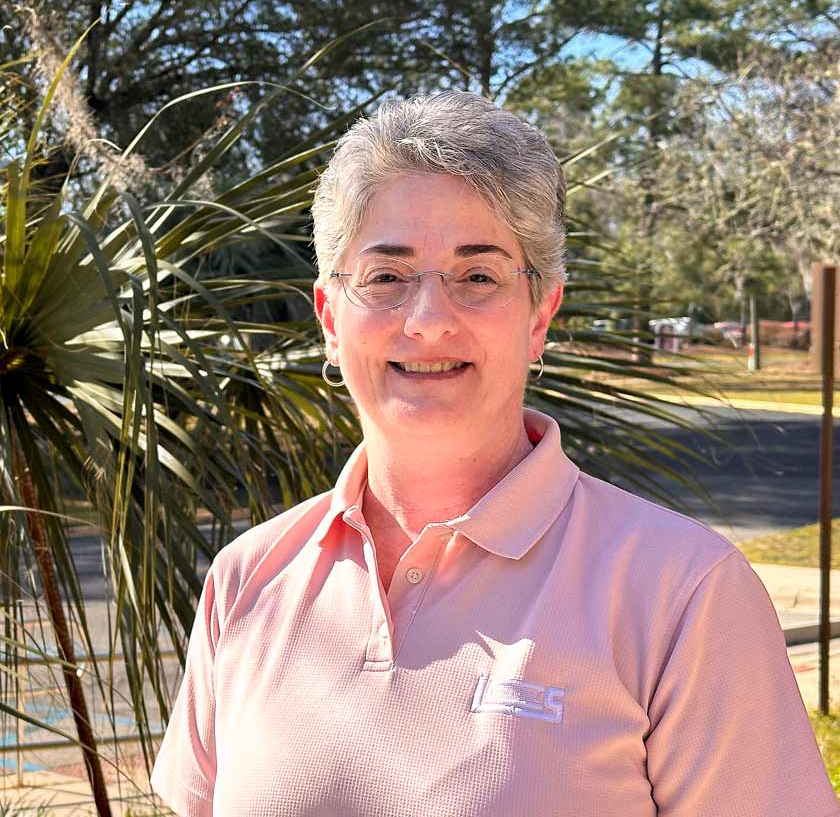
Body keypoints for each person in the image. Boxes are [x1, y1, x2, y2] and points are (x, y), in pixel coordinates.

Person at [150, 91, 839, 816]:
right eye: (386, 277)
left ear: (540, 316)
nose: (427, 320)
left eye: (477, 276)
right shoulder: (249, 578)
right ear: (329, 317)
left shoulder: (681, 593)